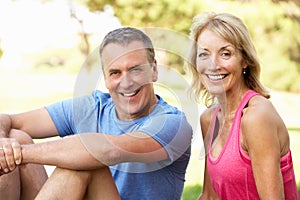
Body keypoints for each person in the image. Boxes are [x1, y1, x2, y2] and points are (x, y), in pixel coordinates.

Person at [0, 27, 193, 199]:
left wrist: (19, 154)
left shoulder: (174, 124)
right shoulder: (93, 107)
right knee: (14, 136)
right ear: (106, 77)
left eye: (135, 70)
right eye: (115, 72)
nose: (126, 83)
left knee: (86, 164)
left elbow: (109, 151)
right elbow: (6, 120)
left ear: (154, 71)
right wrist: (5, 147)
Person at [187, 12, 299, 199]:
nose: (213, 65)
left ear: (244, 60)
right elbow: (209, 196)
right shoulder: (209, 119)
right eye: (204, 54)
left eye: (225, 54)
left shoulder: (256, 117)